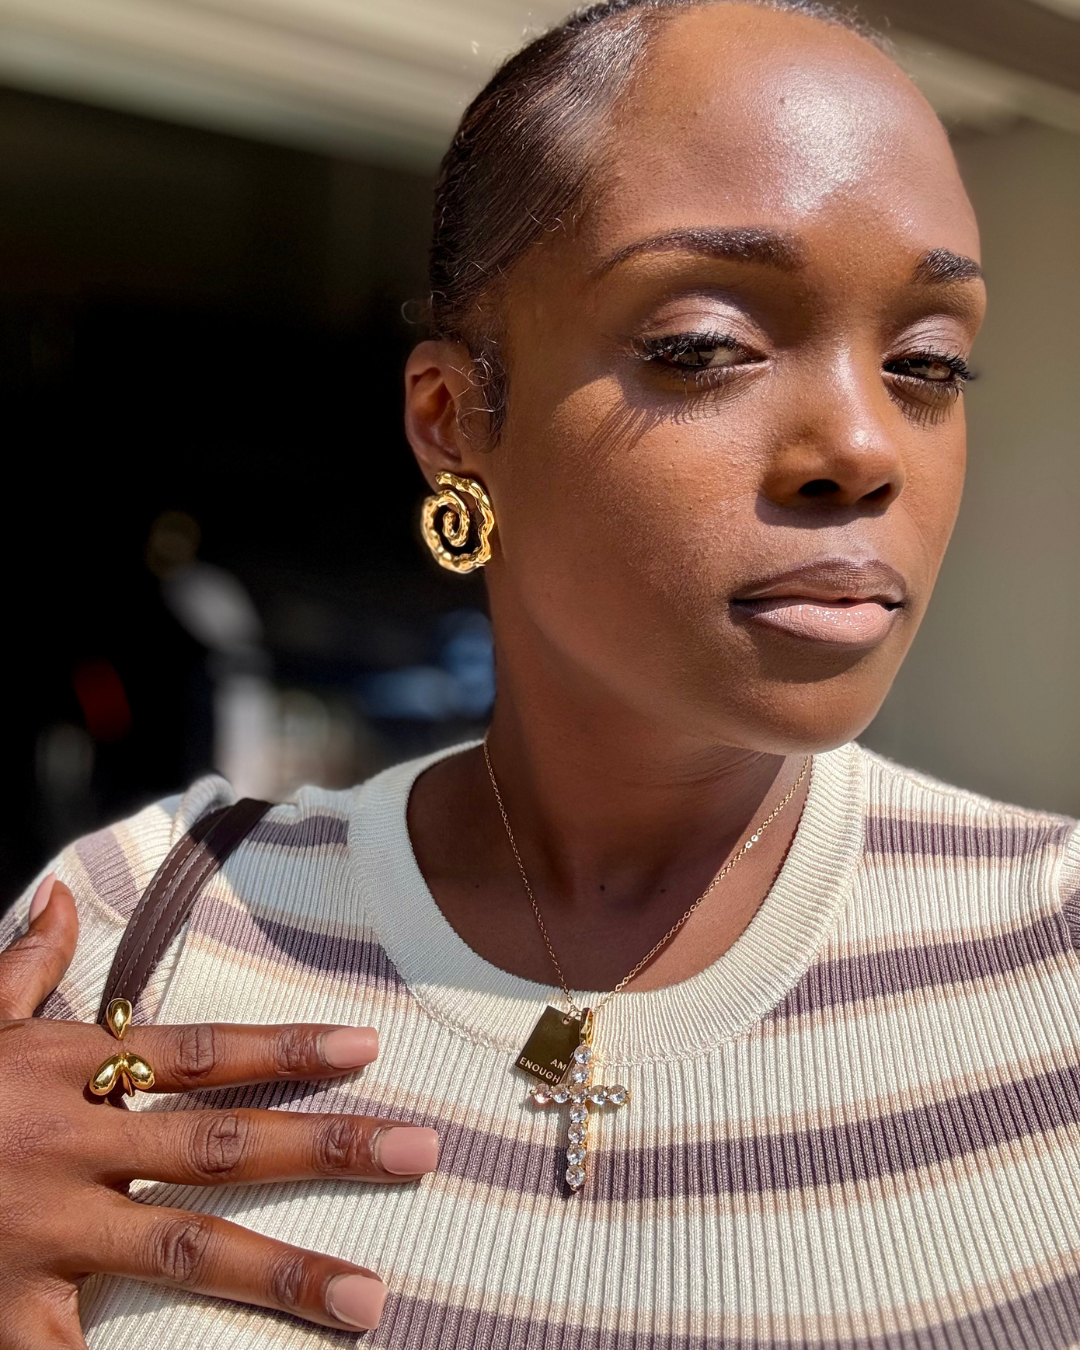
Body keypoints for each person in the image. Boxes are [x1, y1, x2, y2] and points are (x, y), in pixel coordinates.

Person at [3, 1, 1078, 1345]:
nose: (865, 445)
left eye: (928, 362)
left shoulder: (1058, 951)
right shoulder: (127, 940)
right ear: (457, 422)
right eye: (705, 346)